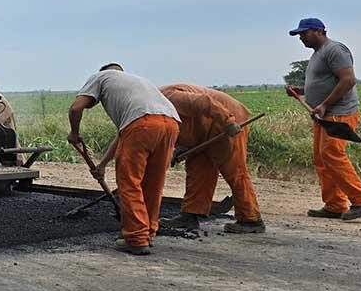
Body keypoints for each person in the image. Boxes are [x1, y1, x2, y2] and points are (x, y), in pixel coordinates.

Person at [67, 63, 180, 255]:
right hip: (170, 124)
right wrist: (102, 165)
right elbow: (125, 134)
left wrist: (74, 133)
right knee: (153, 183)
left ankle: (136, 238)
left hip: (142, 125)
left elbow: (76, 108)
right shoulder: (138, 83)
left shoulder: (99, 77)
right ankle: (148, 233)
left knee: (129, 182)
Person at [288, 18, 361, 220]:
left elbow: (348, 80)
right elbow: (324, 82)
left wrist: (325, 104)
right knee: (322, 159)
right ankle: (335, 205)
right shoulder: (317, 54)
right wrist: (301, 91)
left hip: (339, 112)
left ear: (319, 31)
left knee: (331, 154)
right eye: (299, 34)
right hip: (323, 114)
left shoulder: (335, 50)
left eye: (304, 33)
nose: (301, 37)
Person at [159, 83, 265, 234]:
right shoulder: (155, 107)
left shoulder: (170, 97)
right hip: (202, 132)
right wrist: (180, 147)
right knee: (198, 169)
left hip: (226, 119)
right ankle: (190, 215)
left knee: (234, 171)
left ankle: (251, 220)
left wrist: (228, 122)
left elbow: (205, 102)